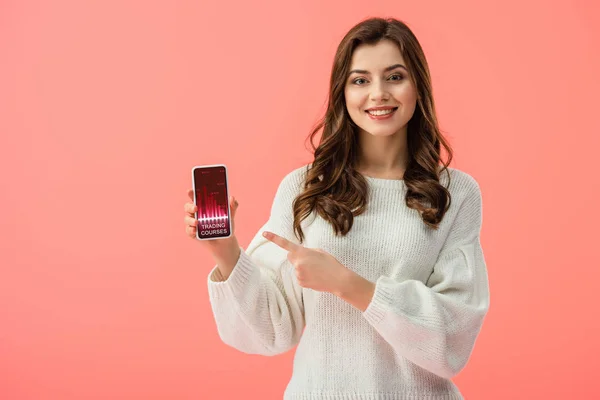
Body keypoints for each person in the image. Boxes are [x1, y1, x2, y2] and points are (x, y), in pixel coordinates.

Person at [183, 17, 490, 400]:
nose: (378, 94)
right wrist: (225, 251)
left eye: (395, 77)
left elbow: (451, 339)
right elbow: (270, 332)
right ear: (342, 92)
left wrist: (348, 285)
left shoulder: (455, 193)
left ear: (418, 87)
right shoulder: (305, 186)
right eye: (360, 80)